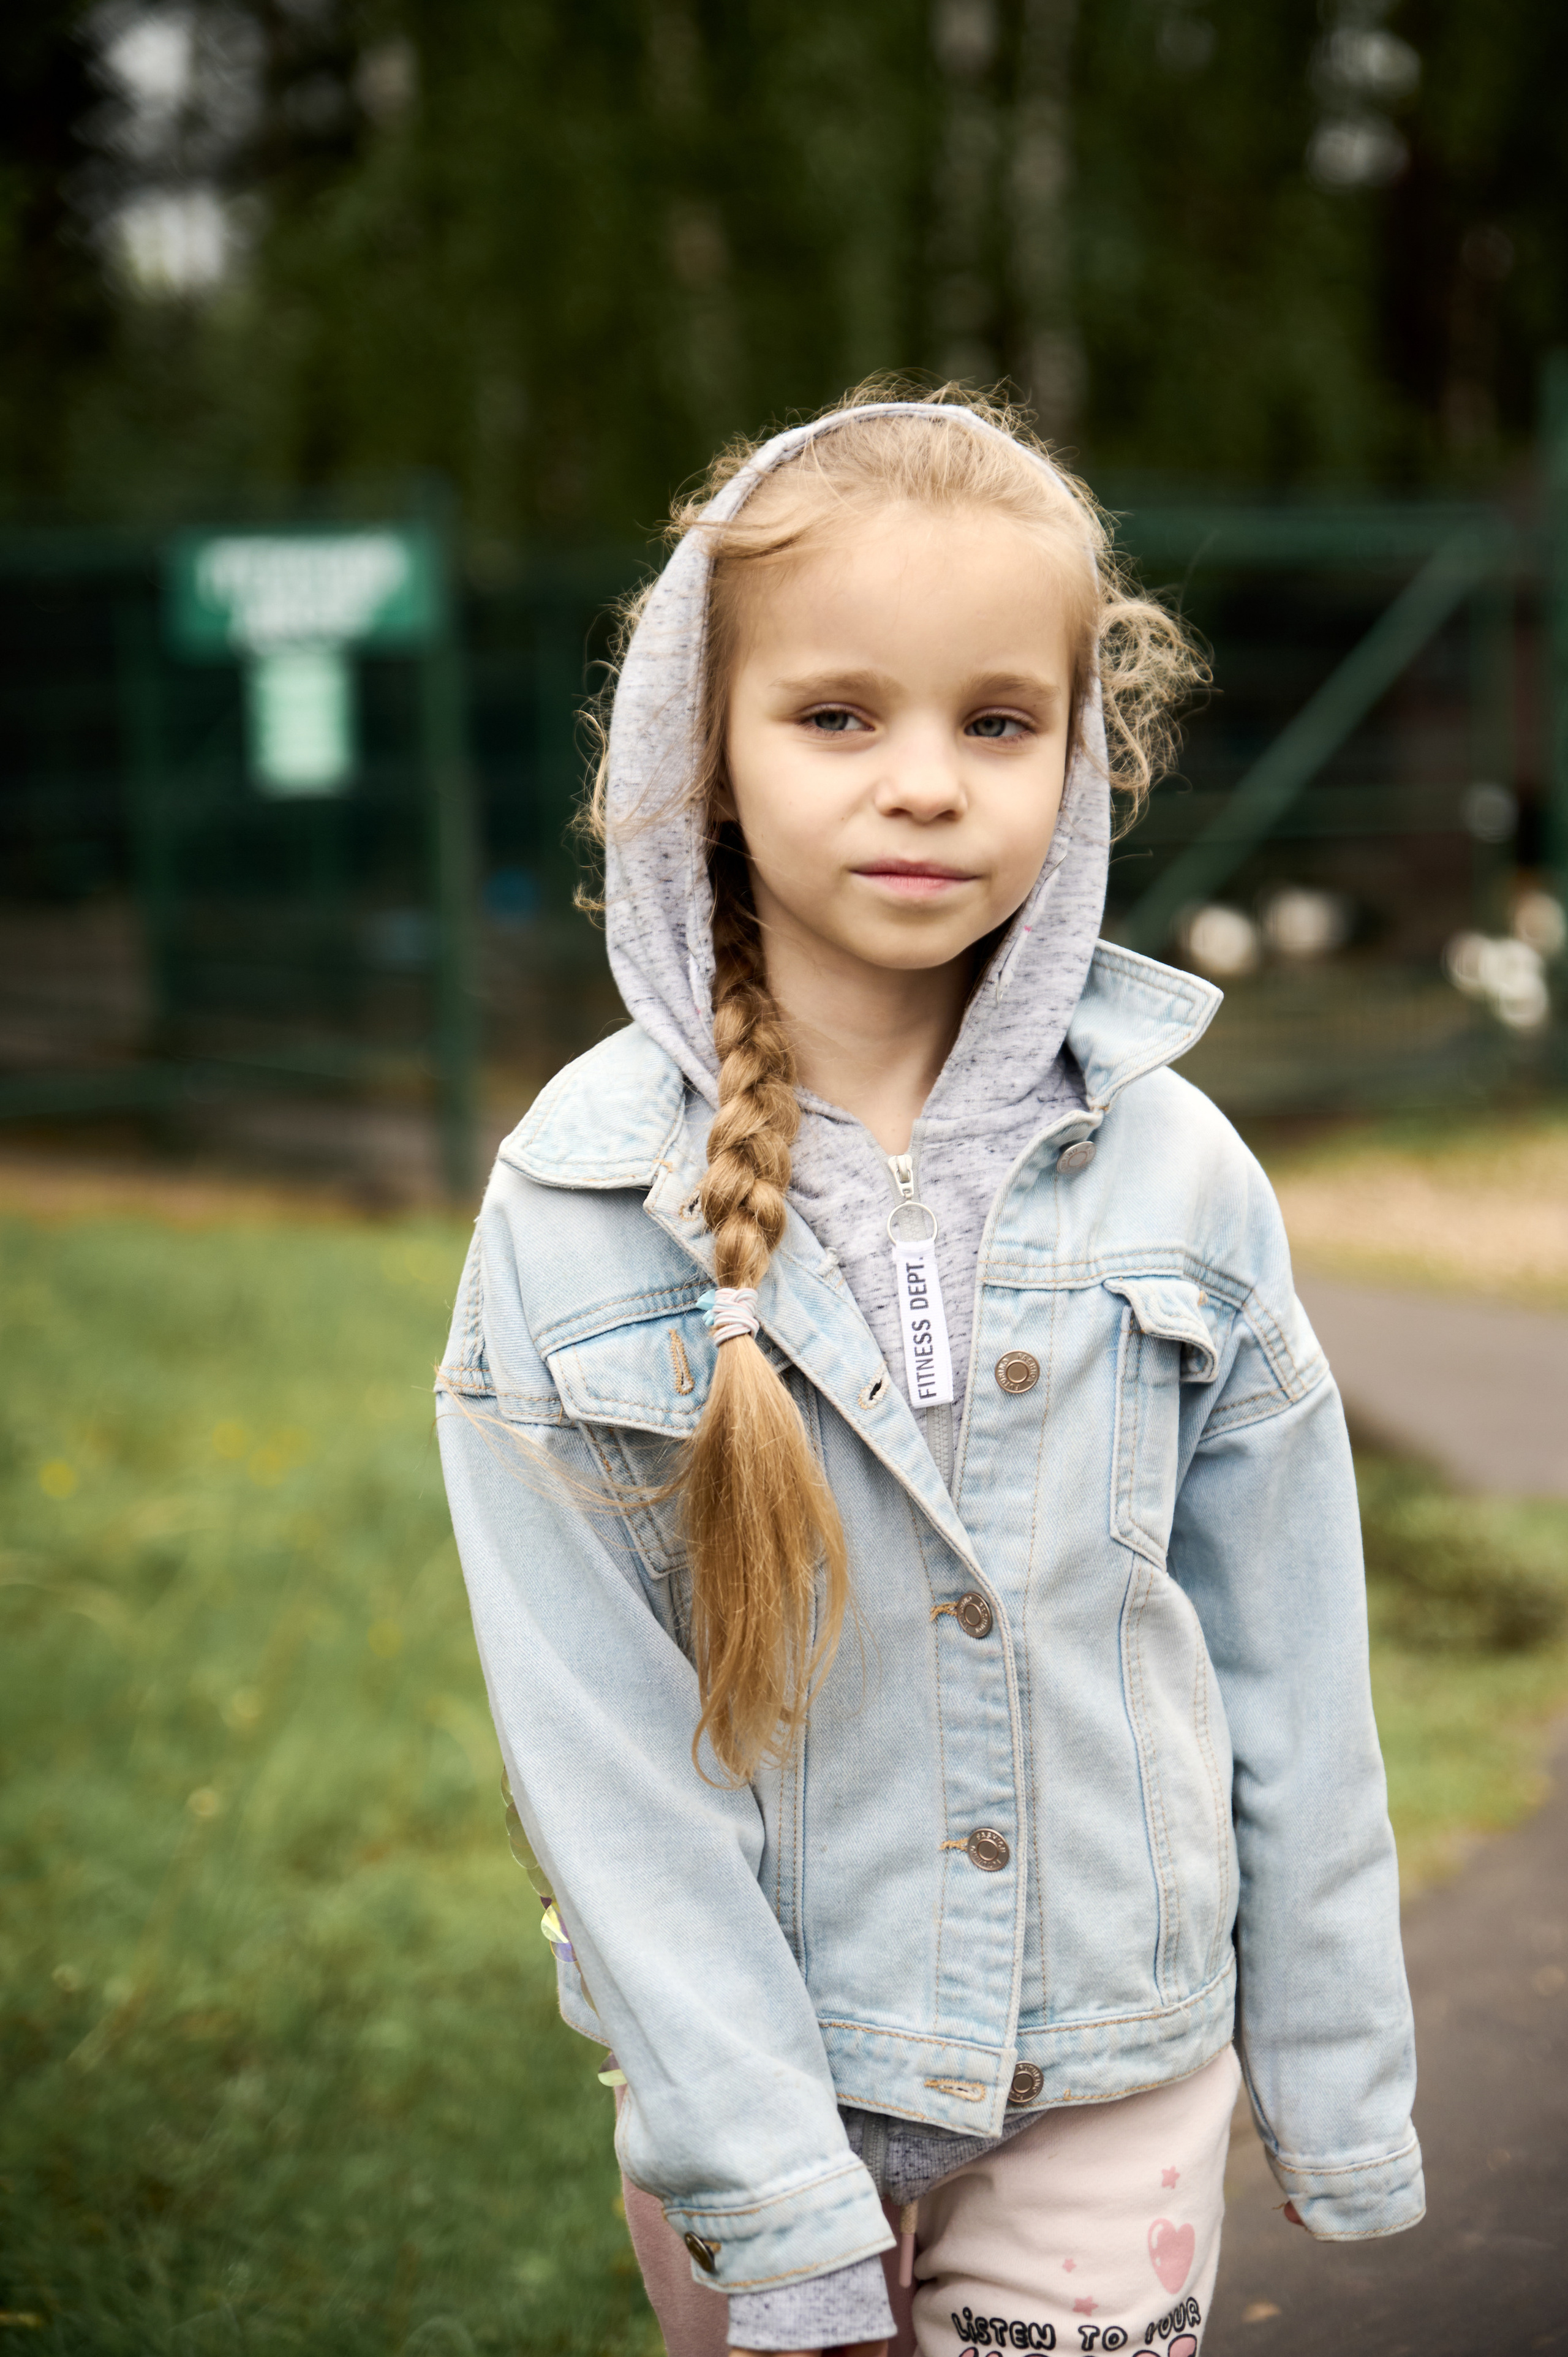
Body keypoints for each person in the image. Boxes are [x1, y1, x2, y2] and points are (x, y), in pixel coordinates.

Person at [436, 387, 1423, 2357]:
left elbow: (1296, 1668)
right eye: (836, 716)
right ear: (700, 752)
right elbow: (602, 1764)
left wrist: (1336, 2074)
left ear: (1081, 756)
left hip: (1118, 2083)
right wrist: (771, 2184)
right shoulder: (572, 1203)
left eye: (997, 721)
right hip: (757, 2091)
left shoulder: (1183, 1171)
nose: (925, 784)